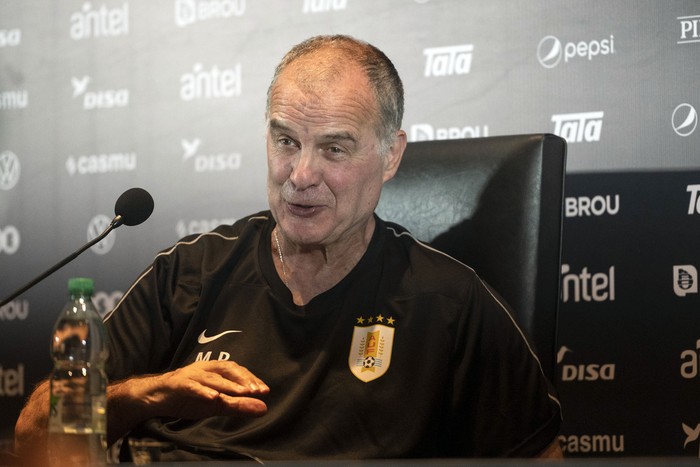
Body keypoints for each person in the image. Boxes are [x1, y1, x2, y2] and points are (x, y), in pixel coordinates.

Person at [15, 34, 563, 462]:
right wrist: (151, 394)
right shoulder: (191, 271)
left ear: (391, 156)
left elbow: (539, 456)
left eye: (334, 148)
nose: (301, 175)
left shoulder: (450, 302)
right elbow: (34, 429)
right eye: (286, 141)